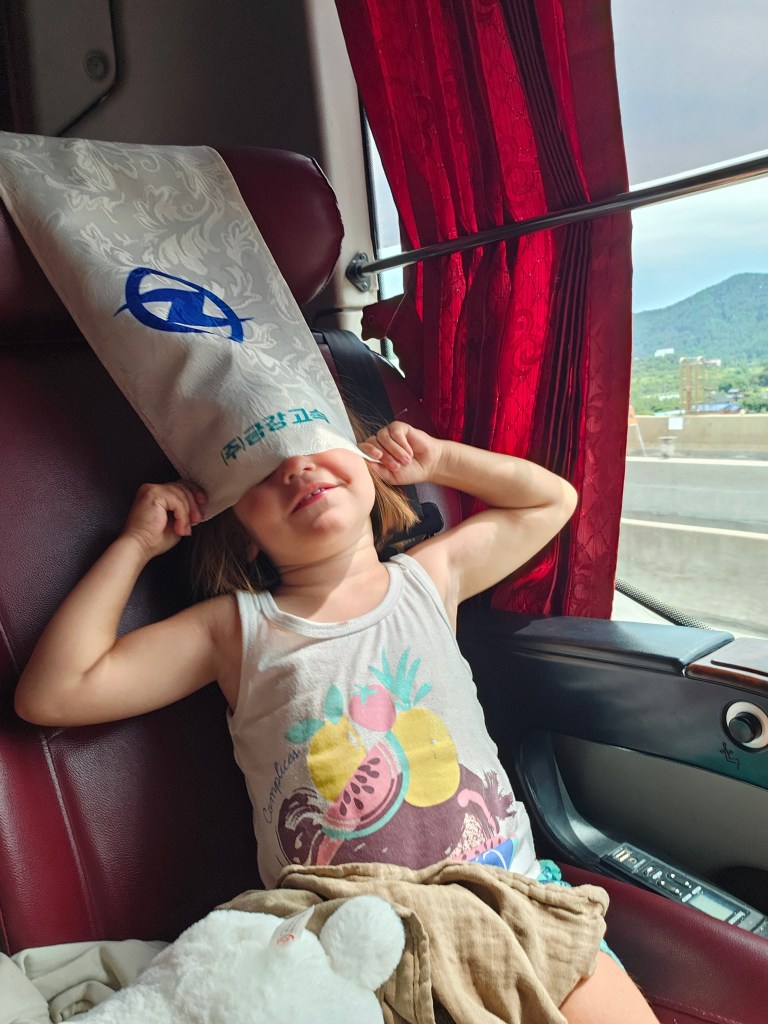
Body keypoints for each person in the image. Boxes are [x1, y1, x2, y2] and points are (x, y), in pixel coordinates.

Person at [15, 420, 658, 1023]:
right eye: (259, 470)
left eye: (315, 438)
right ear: (237, 525)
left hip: (509, 898)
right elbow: (54, 692)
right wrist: (135, 546)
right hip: (343, 946)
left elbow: (551, 501)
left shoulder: (430, 577)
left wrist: (439, 459)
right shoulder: (235, 630)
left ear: (368, 466)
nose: (295, 466)